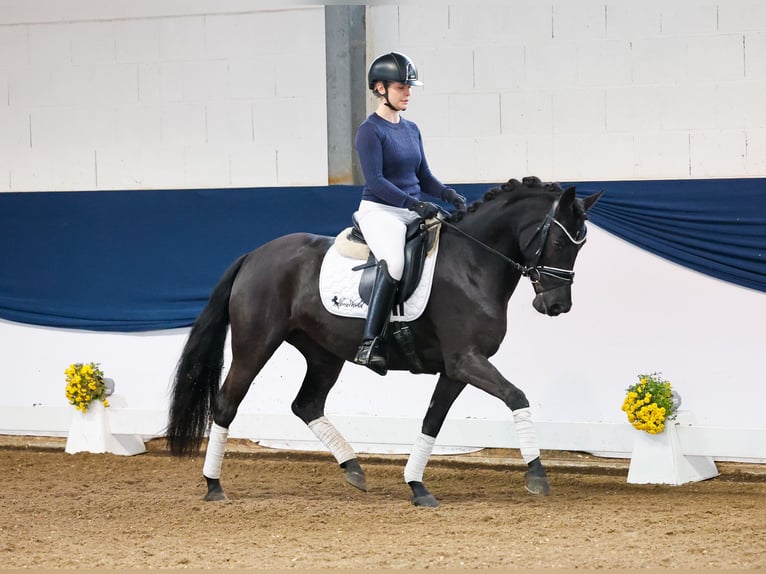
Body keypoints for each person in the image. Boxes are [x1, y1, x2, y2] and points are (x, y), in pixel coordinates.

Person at [352, 51, 467, 375]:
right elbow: (376, 180)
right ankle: (369, 342)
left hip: (410, 209)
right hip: (381, 212)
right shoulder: (369, 131)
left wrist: (447, 193)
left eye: (409, 87)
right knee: (395, 262)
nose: (408, 93)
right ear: (379, 88)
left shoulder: (411, 128)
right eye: (401, 87)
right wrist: (414, 204)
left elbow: (424, 175)